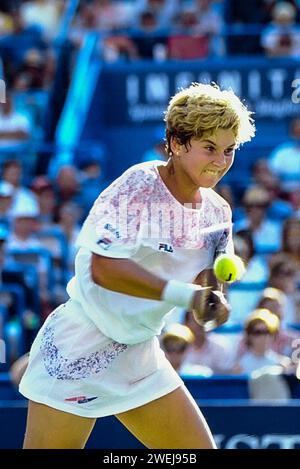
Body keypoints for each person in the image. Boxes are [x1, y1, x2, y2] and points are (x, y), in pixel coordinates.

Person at [19, 82, 255, 449]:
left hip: (140, 355)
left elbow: (205, 297)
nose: (221, 161)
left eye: (229, 150)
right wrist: (187, 295)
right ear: (177, 143)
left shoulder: (218, 212)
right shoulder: (139, 185)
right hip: (78, 347)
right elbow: (104, 269)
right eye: (209, 148)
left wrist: (214, 303)